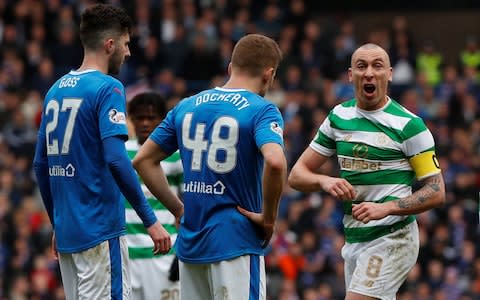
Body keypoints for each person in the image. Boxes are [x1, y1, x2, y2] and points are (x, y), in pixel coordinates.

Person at [32, 4, 175, 299]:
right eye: (126, 43)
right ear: (110, 45)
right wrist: (150, 220)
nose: (129, 52)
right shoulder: (108, 87)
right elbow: (116, 159)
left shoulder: (55, 89)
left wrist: (56, 221)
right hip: (100, 231)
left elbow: (39, 163)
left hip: (69, 233)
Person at [133, 33, 287, 300]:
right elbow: (275, 162)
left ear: (230, 67)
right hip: (236, 242)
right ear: (269, 74)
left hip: (191, 244)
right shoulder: (262, 110)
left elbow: (143, 161)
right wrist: (269, 218)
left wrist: (178, 209)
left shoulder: (186, 106)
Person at [288, 43, 446, 300]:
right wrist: (325, 182)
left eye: (377, 65)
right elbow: (297, 175)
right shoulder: (338, 117)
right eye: (361, 66)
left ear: (390, 74)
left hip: (393, 236)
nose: (369, 73)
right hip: (354, 239)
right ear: (351, 75)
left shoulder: (409, 125)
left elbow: (436, 191)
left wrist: (386, 208)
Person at [125, 92, 183, 300]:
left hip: (165, 254)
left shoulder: (175, 156)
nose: (145, 123)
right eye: (140, 118)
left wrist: (182, 250)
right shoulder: (120, 154)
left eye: (151, 118)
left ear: (162, 120)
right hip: (126, 255)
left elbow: (188, 205)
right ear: (131, 119)